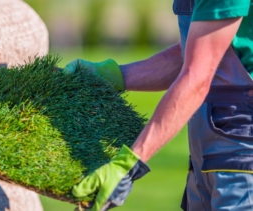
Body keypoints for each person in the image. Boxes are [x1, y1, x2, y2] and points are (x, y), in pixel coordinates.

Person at [64, 0, 253, 210]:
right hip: (209, 150)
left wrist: (127, 165)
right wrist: (111, 75)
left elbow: (197, 77)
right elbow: (195, 53)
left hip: (241, 153)